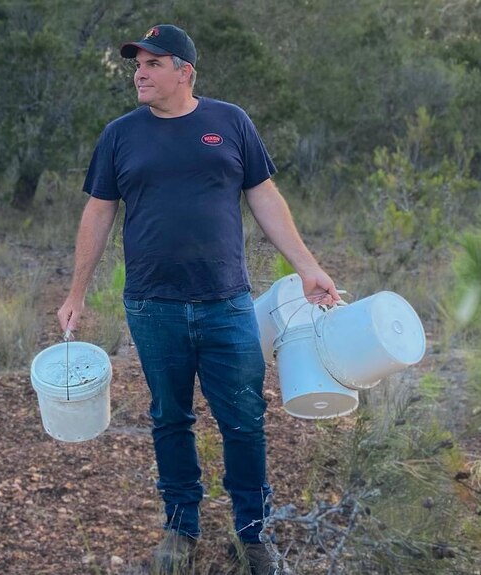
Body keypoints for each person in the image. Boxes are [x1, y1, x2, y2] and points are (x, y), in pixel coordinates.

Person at [56, 24, 340, 575]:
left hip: (226, 302)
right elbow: (98, 212)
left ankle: (252, 533)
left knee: (244, 419)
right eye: (137, 63)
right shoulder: (120, 134)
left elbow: (264, 197)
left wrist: (308, 267)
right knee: (169, 418)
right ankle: (181, 525)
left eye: (153, 63)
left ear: (185, 71)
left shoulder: (230, 122)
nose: (140, 72)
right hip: (151, 304)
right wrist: (76, 292)